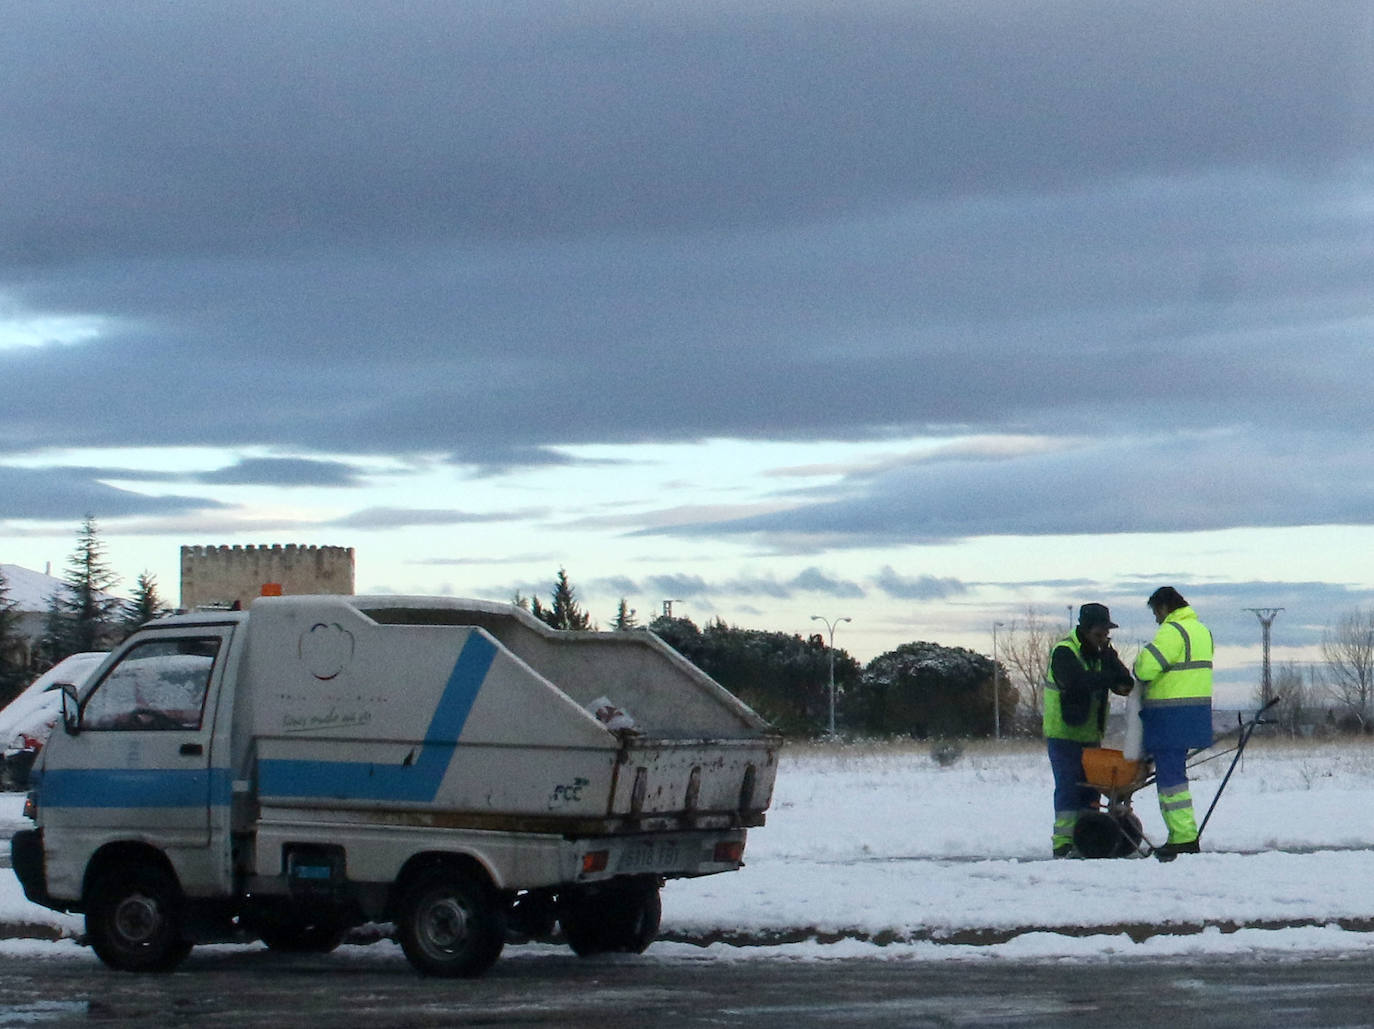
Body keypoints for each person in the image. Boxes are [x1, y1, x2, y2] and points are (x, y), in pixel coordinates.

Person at [1042, 603, 1133, 857]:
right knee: (1069, 787)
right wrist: (1109, 677)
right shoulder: (1064, 651)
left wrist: (1111, 666)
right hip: (1064, 734)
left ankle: (1090, 838)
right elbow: (1076, 682)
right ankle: (1063, 842)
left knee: (1092, 790)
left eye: (1106, 634)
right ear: (1084, 630)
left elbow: (1125, 682)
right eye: (1099, 634)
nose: (1103, 638)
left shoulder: (1103, 652)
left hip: (1090, 735)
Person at [1132, 586, 1214, 861]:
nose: (1157, 620)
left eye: (1156, 613)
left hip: (1169, 716)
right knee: (1175, 776)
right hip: (1195, 714)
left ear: (1164, 608)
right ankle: (1183, 835)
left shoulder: (1172, 631)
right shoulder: (1201, 631)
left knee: (1170, 781)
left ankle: (1183, 838)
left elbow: (1145, 668)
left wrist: (1137, 662)